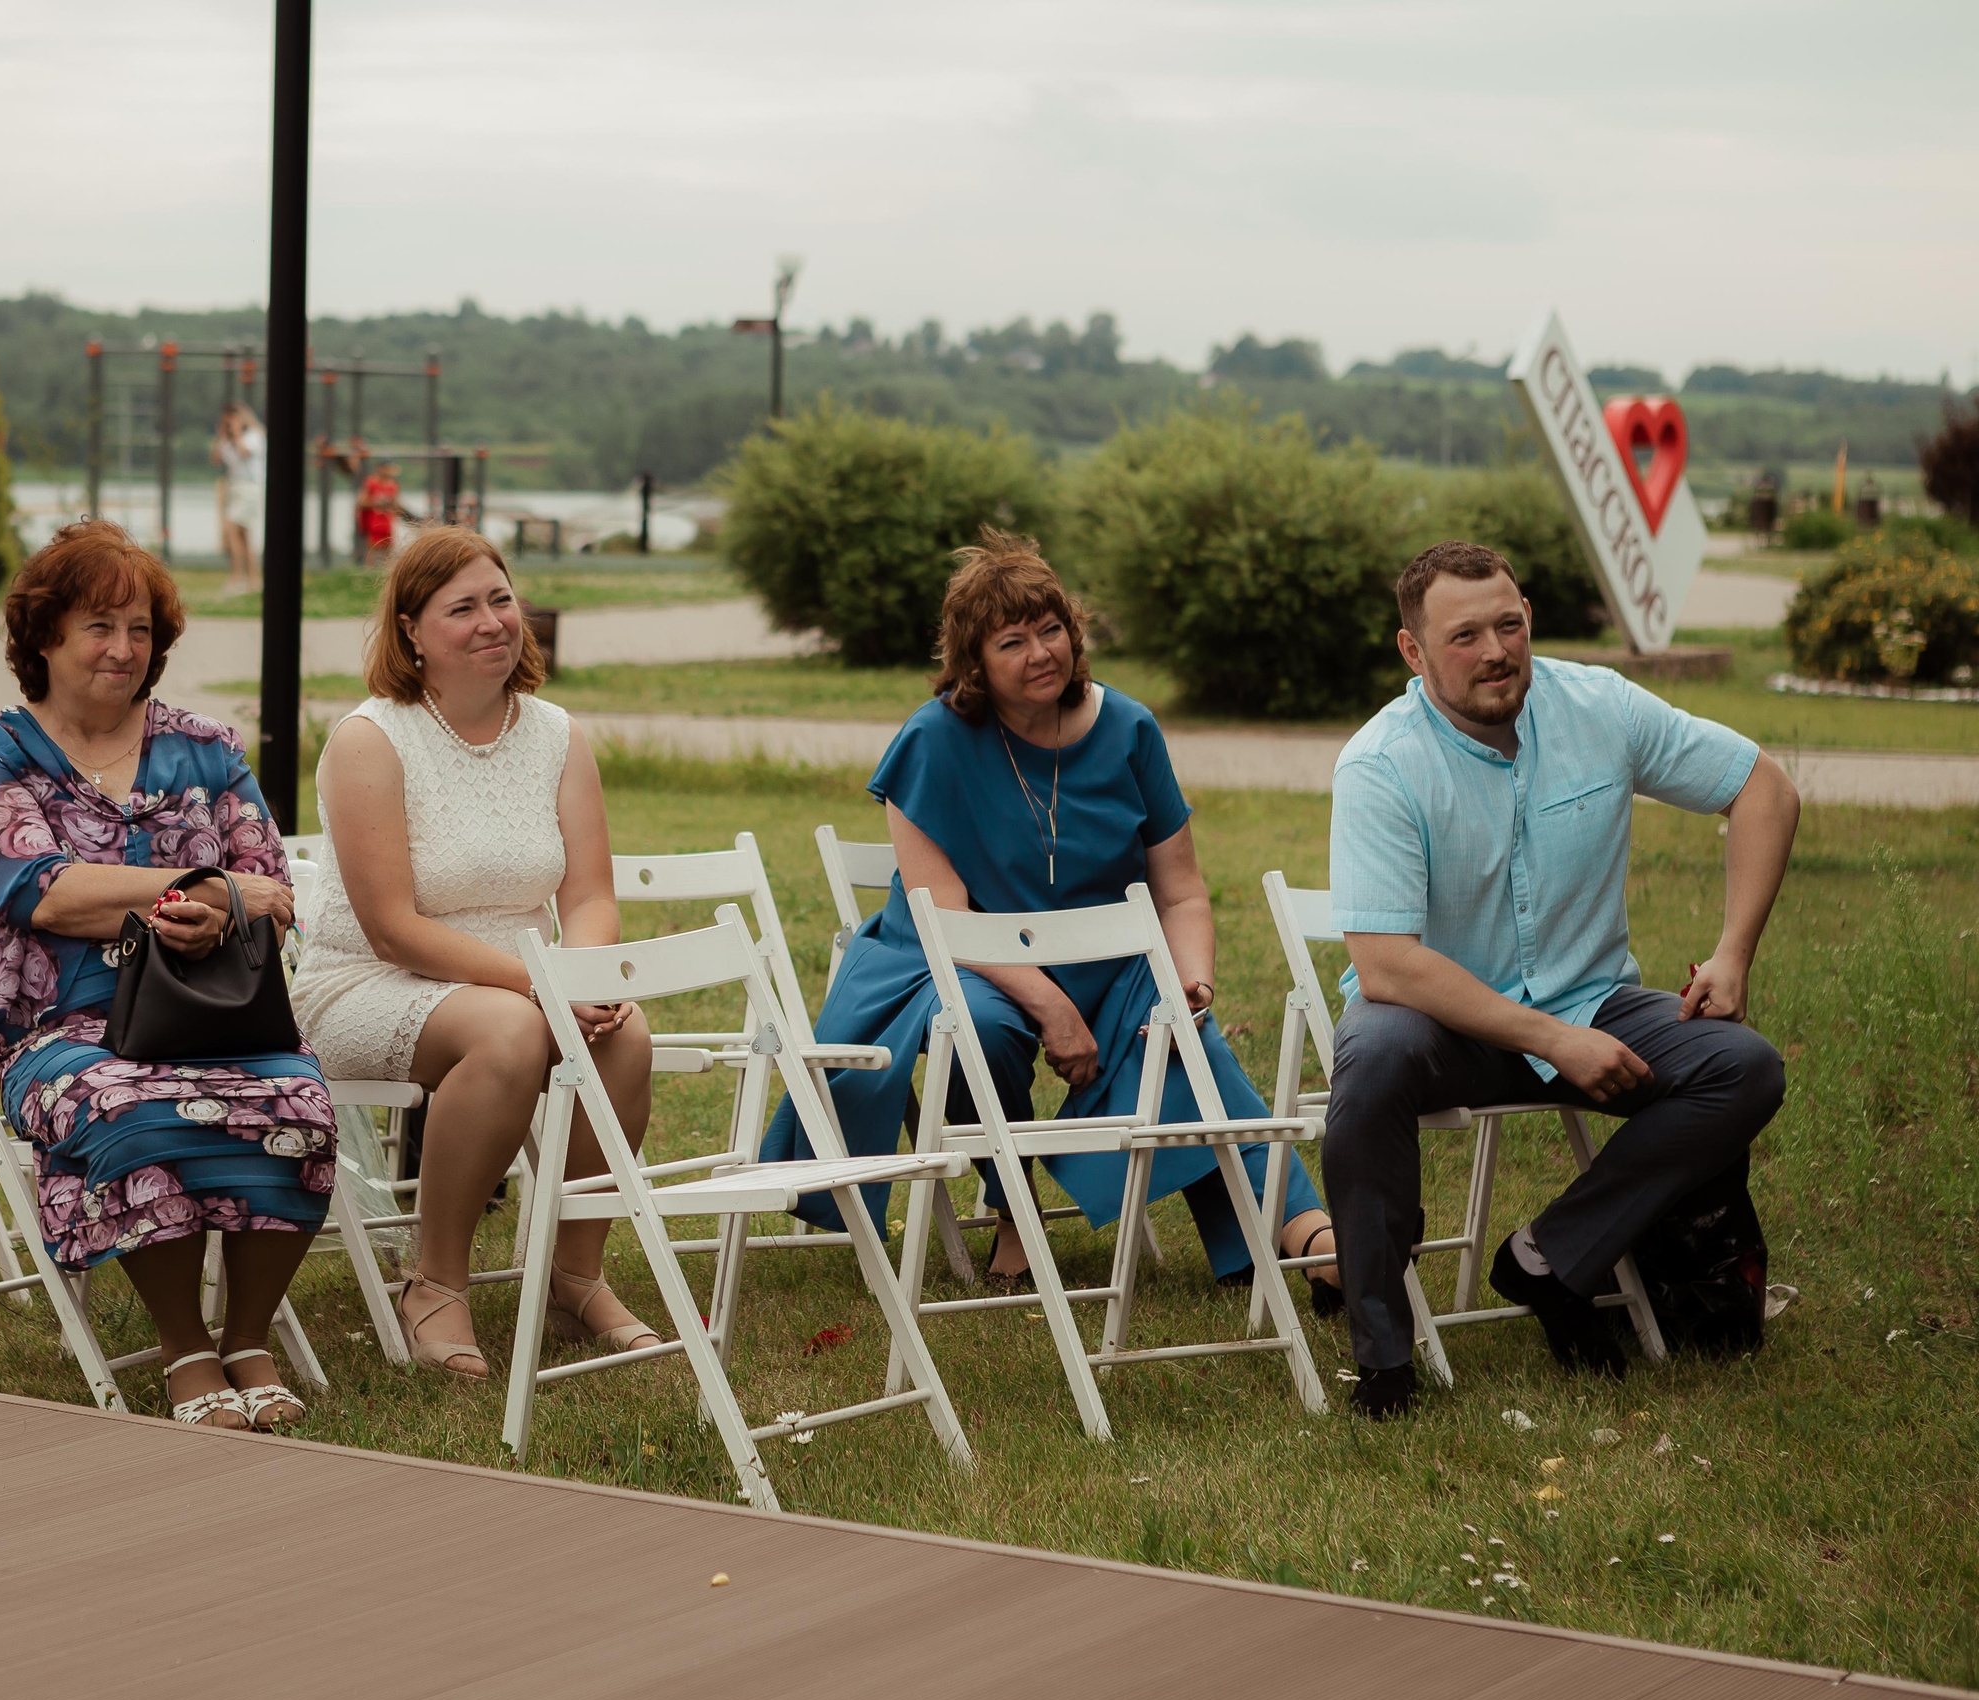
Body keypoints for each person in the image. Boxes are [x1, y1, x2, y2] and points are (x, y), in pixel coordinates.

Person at [760, 529, 1339, 1301]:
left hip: (1104, 955)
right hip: (953, 956)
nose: (1041, 652)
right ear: (974, 662)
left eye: (1051, 629)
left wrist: (1191, 979)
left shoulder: (1129, 728)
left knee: (1180, 1034)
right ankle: (1013, 1209)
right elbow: (944, 916)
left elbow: (1182, 891)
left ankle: (1310, 1239)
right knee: (984, 1024)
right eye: (1012, 640)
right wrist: (1051, 1004)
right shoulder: (933, 739)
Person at [1324, 540, 1798, 1418]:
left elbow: (1761, 786)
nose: (1496, 650)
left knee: (1744, 1065)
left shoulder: (1599, 705)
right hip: (1438, 1023)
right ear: (1413, 651)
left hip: (1593, 998)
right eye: (1464, 635)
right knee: (1370, 1059)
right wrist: (1551, 1039)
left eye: (1510, 624)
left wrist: (1734, 953)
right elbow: (1386, 964)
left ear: (1529, 618)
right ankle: (1385, 1355)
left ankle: (1550, 1258)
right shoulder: (1381, 763)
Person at [0, 519, 335, 1431]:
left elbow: (272, 887)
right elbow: (40, 889)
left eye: (141, 630)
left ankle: (247, 1335)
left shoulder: (204, 748)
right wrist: (195, 890)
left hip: (215, 1017)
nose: (124, 649)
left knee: (302, 1103)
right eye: (99, 626)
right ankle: (184, 1344)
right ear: (43, 635)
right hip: (61, 1032)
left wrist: (226, 906)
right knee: (130, 1106)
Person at [293, 525, 657, 1379]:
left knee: (628, 1034)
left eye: (501, 598)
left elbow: (590, 895)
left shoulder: (557, 733)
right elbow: (391, 926)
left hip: (525, 984)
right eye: (464, 607)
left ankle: (575, 1273)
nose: (494, 620)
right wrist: (543, 987)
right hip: (370, 981)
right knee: (510, 1033)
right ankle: (435, 1281)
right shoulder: (370, 739)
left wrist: (581, 980)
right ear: (412, 630)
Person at [213, 402, 267, 597]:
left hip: (250, 486)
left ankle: (237, 577)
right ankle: (254, 579)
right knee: (244, 536)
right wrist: (222, 435)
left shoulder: (255, 435)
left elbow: (245, 453)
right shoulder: (227, 440)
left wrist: (236, 435)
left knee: (231, 530)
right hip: (235, 486)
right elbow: (216, 459)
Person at [356, 458, 404, 567]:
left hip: (387, 523)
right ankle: (367, 575)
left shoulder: (393, 485)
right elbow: (361, 502)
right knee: (372, 551)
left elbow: (396, 504)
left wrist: (394, 506)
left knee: (389, 552)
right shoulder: (371, 483)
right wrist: (377, 504)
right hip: (373, 523)